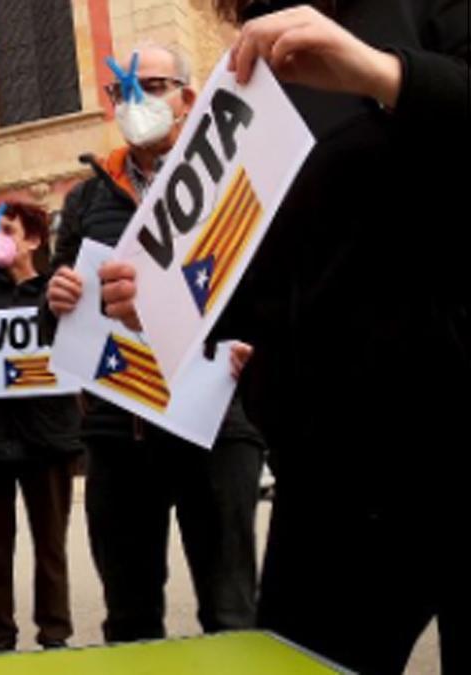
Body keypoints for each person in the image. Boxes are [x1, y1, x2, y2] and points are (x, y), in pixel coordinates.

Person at [101, 3, 468, 672]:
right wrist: (162, 300)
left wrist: (386, 75)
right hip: (332, 473)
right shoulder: (255, 74)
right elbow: (269, 278)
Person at [40, 43, 266, 643]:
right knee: (130, 620)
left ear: (189, 99)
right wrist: (54, 300)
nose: (136, 101)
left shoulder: (235, 176)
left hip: (219, 425)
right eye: (122, 91)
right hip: (119, 433)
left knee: (232, 614)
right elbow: (54, 318)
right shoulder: (85, 199)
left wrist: (258, 347)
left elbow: (275, 289)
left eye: (154, 85)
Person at [0, 200, 84, 652]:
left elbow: (80, 363)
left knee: (51, 547)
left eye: (7, 229)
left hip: (48, 440)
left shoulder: (60, 298)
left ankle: (55, 634)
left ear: (35, 239)